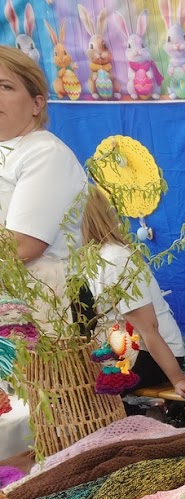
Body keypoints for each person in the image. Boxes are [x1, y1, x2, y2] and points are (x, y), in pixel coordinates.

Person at [82, 185, 185, 398]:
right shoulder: (89, 259)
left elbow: (148, 328)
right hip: (120, 350)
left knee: (84, 393)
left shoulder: (116, 261)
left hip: (151, 357)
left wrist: (178, 379)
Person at [0, 46, 86, 332]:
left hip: (49, 310)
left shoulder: (45, 153)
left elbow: (23, 246)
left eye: (5, 86)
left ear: (37, 104)